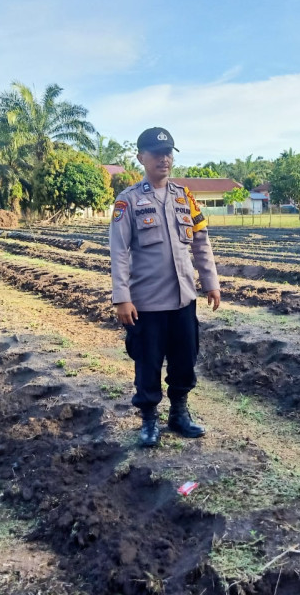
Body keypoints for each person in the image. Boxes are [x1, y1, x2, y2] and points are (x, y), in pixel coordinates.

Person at [109, 127, 221, 447]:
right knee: (148, 362)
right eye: (157, 153)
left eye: (169, 153)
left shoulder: (184, 196)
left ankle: (179, 413)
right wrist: (122, 297)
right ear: (141, 157)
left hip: (184, 298)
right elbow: (118, 252)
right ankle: (148, 420)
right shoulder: (128, 201)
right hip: (146, 302)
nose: (164, 158)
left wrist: (210, 282)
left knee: (185, 359)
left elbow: (201, 242)